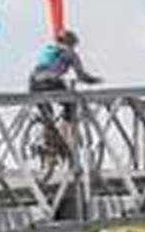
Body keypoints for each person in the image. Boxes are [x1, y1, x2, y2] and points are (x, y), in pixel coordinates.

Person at [26, 28, 100, 162]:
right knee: (70, 104)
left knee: (48, 115)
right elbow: (82, 75)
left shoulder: (48, 49)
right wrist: (95, 80)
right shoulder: (69, 53)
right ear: (71, 43)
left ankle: (48, 142)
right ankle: (63, 136)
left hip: (33, 83)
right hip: (49, 81)